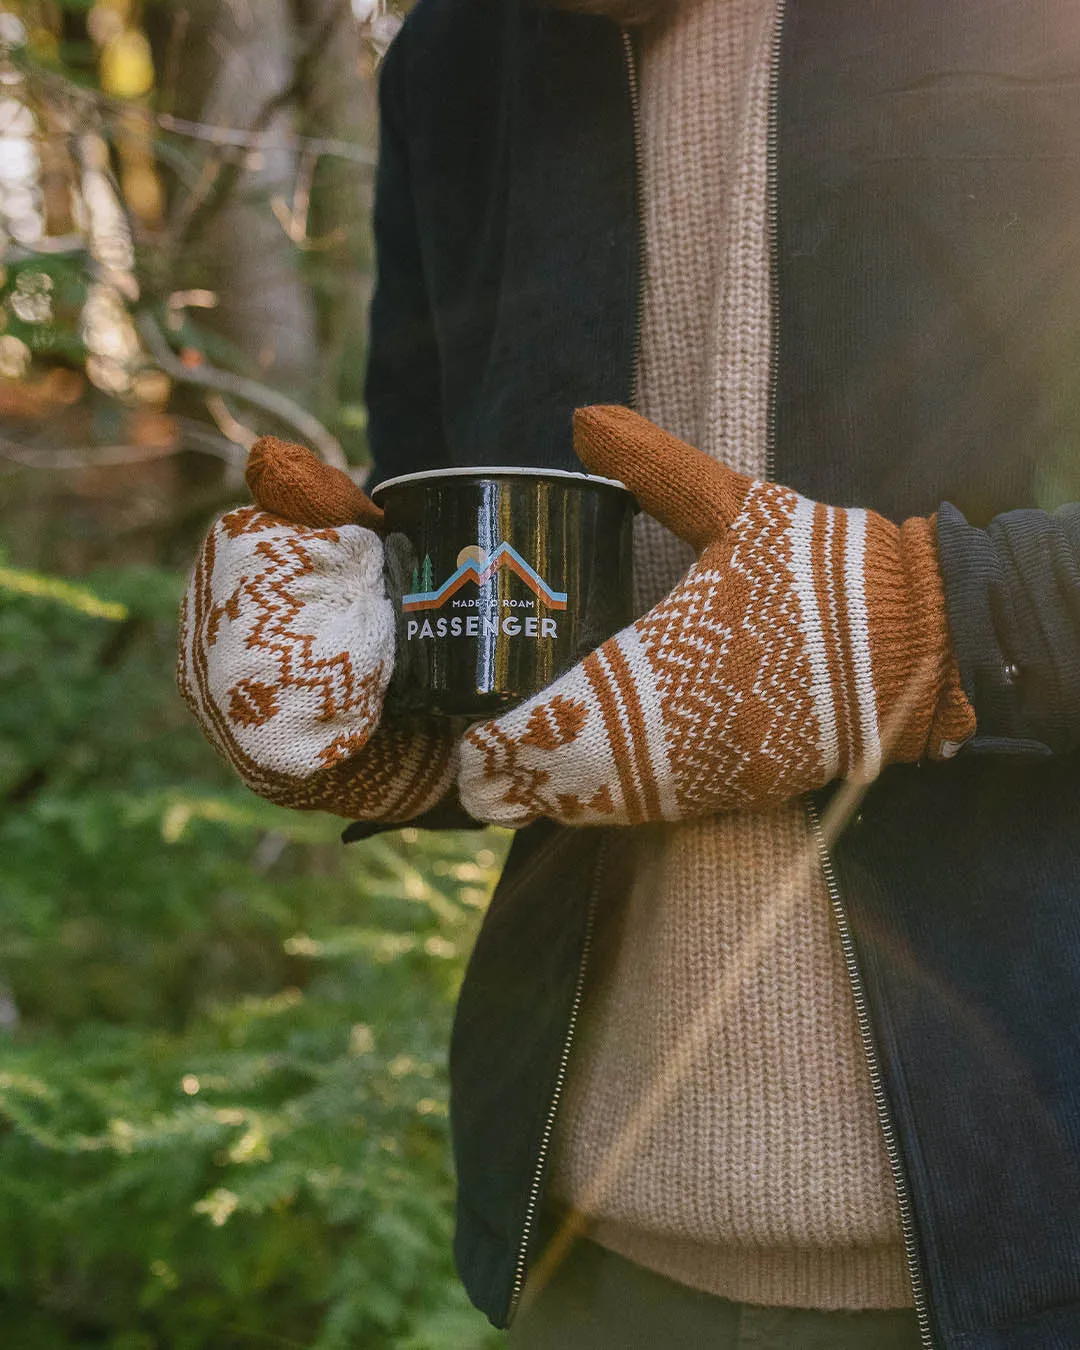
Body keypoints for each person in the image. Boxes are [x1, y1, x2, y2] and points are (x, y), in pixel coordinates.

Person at [178, 0, 1080, 1346]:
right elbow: (445, 553)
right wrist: (368, 701)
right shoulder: (454, 60)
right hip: (590, 1255)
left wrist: (931, 614)